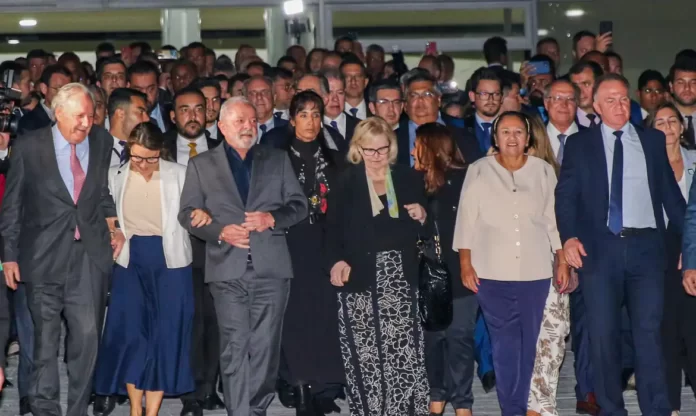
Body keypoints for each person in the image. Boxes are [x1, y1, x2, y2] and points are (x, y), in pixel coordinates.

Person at [556, 74, 685, 416]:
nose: (619, 105)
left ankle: (657, 409)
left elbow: (672, 198)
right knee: (602, 336)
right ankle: (612, 410)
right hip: (600, 251)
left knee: (649, 334)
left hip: (647, 249)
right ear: (596, 106)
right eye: (610, 100)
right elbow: (566, 196)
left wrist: (690, 243)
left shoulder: (652, 140)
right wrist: (568, 237)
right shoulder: (580, 145)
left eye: (624, 99)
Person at [0, 82, 126, 416]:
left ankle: (77, 410)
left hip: (88, 256)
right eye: (79, 116)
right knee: (45, 341)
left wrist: (114, 226)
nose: (87, 123)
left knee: (87, 338)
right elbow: (12, 206)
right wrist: (8, 256)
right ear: (58, 113)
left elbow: (101, 192)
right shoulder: (29, 146)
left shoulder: (101, 140)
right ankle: (46, 409)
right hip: (41, 256)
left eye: (91, 115)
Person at [178, 96, 308, 415]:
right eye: (240, 121)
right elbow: (187, 213)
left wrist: (271, 218)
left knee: (265, 348)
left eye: (252, 121)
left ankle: (256, 409)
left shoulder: (277, 159)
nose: (249, 126)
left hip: (272, 270)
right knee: (234, 346)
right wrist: (220, 231)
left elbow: (299, 206)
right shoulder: (201, 164)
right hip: (226, 269)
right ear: (222, 126)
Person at [454, 111, 569, 416]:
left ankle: (528, 404)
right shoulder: (479, 170)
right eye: (505, 132)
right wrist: (465, 264)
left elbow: (553, 220)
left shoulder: (543, 170)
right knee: (505, 346)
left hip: (536, 271)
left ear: (528, 138)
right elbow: (466, 219)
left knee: (531, 344)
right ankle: (512, 409)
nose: (512, 137)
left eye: (518, 132)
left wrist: (561, 260)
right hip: (491, 273)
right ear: (495, 137)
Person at [93, 122, 209, 415]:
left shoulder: (180, 174)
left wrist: (202, 212)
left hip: (170, 264)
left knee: (164, 337)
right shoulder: (115, 175)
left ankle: (152, 411)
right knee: (132, 337)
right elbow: (105, 214)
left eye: (150, 158)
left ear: (161, 152)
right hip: (130, 262)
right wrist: (114, 231)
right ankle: (136, 409)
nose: (143, 164)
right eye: (137, 157)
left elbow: (198, 207)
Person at [326, 117, 430, 416]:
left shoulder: (408, 177)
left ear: (391, 147)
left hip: (401, 277)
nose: (376, 156)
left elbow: (428, 229)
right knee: (366, 354)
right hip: (360, 276)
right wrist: (336, 261)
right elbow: (331, 230)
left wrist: (423, 215)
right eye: (369, 150)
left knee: (404, 352)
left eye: (382, 149)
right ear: (358, 148)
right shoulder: (345, 181)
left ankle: (405, 411)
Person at [277, 91, 346, 415]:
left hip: (325, 242)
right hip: (289, 243)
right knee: (294, 318)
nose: (311, 121)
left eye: (316, 114)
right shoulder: (277, 159)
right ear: (292, 120)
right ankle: (301, 386)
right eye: (303, 114)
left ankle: (324, 388)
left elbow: (344, 207)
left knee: (325, 316)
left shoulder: (335, 159)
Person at [413, 123, 476, 416]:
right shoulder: (414, 181)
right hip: (430, 273)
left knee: (460, 337)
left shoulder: (466, 179)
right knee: (434, 338)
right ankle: (436, 396)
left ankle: (463, 403)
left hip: (464, 267)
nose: (412, 152)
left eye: (417, 146)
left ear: (432, 149)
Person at [647, 103, 696, 414]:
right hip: (656, 252)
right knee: (665, 330)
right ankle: (671, 406)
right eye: (660, 122)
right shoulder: (644, 164)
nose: (667, 127)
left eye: (672, 121)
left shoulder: (694, 160)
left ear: (681, 126)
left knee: (691, 327)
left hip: (691, 249)